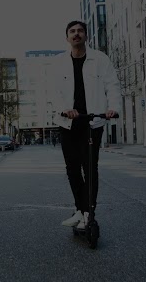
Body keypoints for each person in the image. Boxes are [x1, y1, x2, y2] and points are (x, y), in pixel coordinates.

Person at [48, 20, 121, 230]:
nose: (76, 34)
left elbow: (112, 85)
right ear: (67, 37)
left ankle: (88, 212)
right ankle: (80, 210)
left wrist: (113, 108)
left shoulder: (100, 59)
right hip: (68, 122)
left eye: (80, 31)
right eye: (72, 31)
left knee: (90, 168)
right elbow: (54, 91)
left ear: (86, 36)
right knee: (72, 168)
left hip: (92, 121)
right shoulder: (59, 62)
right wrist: (64, 108)